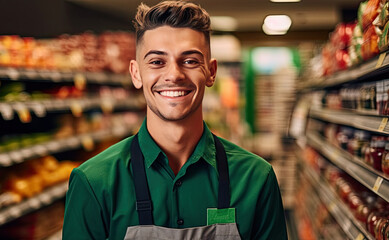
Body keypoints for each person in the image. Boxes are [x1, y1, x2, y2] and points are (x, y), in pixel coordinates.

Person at [62, 1, 288, 239]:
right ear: (136, 73)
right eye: (157, 62)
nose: (174, 75)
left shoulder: (255, 179)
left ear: (211, 72)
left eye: (190, 61)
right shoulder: (94, 183)